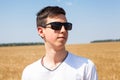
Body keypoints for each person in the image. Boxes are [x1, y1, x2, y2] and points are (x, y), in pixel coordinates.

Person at [22, 6, 98, 80]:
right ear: (41, 31)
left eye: (67, 26)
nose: (63, 30)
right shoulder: (29, 73)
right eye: (56, 26)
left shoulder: (86, 67)